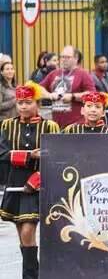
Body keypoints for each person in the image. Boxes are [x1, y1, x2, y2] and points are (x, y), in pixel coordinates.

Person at [0, 83, 60, 279]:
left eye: (27, 102)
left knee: (27, 229)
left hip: (38, 183)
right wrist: (30, 155)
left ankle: (31, 276)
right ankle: (33, 272)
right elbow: (2, 154)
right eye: (20, 103)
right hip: (15, 182)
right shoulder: (7, 125)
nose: (23, 107)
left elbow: (55, 157)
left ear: (37, 103)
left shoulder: (50, 126)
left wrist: (37, 176)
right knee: (22, 233)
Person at [40, 46, 96, 128]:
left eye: (67, 57)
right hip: (56, 124)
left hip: (77, 125)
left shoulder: (83, 74)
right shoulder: (54, 73)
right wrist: (49, 95)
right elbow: (38, 88)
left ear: (76, 58)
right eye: (62, 57)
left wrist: (73, 97)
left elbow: (92, 95)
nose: (64, 59)